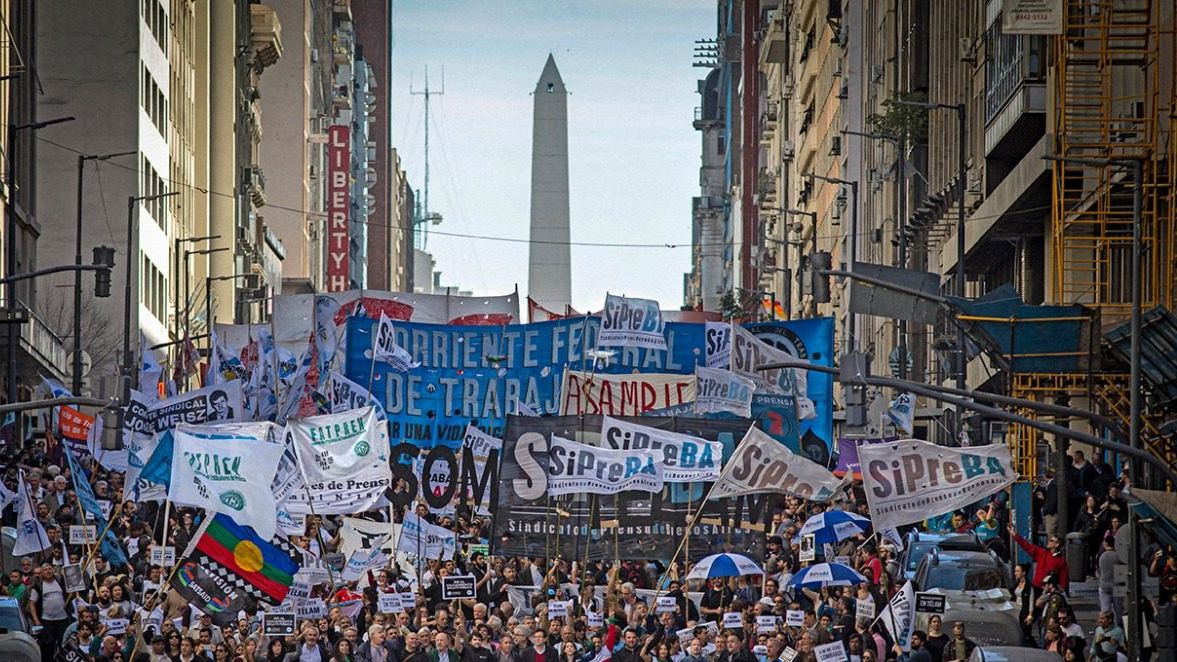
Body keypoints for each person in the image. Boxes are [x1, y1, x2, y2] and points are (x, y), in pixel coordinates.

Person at [1008, 524, 1070, 593]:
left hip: (1048, 591)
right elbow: (1027, 546)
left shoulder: (1061, 561)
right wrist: (1014, 534)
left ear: (1057, 544)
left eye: (1051, 540)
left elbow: (1064, 579)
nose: (1048, 541)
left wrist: (1060, 591)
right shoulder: (1042, 553)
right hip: (1036, 587)